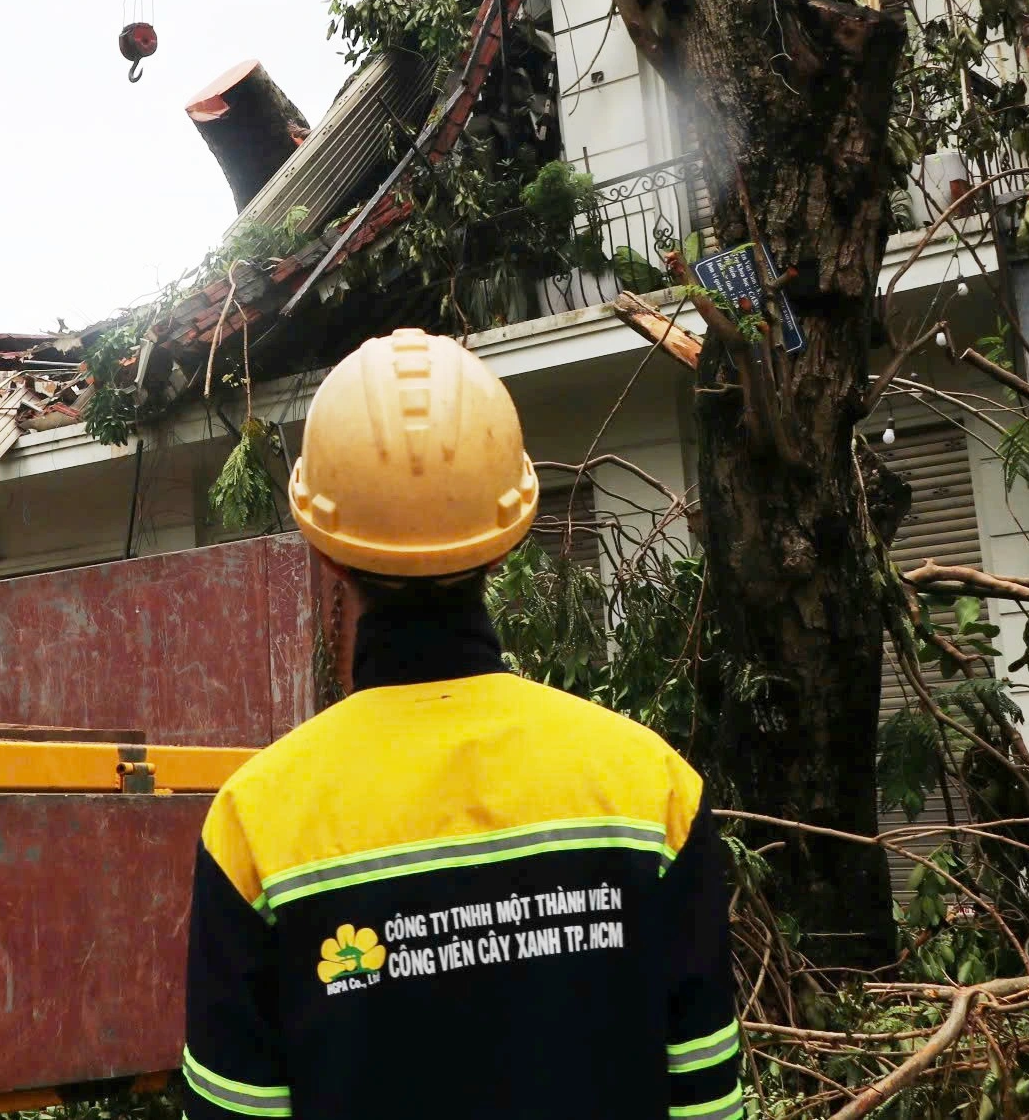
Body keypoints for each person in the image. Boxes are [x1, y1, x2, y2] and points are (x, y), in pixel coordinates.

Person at [177, 329, 743, 1120]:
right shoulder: (654, 793)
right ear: (504, 541)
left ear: (328, 551)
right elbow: (707, 1102)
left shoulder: (255, 826)